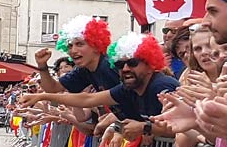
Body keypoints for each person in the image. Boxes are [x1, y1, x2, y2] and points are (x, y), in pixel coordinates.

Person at [20, 33, 179, 139]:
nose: (125, 69)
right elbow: (88, 99)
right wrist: (41, 93)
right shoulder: (127, 85)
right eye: (119, 64)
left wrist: (141, 128)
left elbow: (182, 127)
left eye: (133, 63)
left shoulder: (162, 86)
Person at [34, 16, 118, 95]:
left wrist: (42, 97)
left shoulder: (110, 66)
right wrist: (42, 65)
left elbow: (88, 100)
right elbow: (52, 88)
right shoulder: (84, 69)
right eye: (70, 46)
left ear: (96, 45)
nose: (73, 51)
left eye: (79, 44)